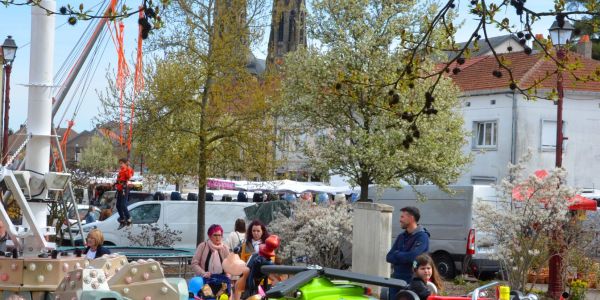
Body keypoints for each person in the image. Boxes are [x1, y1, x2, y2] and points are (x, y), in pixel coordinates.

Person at [386, 206, 430, 300]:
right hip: (395, 281)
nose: (400, 220)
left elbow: (413, 257)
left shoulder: (422, 237)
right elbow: (389, 257)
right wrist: (405, 256)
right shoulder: (401, 236)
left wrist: (397, 254)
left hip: (411, 282)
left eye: (402, 217)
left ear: (411, 218)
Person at [234, 235, 281, 300]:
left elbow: (266, 277)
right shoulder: (259, 260)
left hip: (255, 281)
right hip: (250, 281)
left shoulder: (260, 259)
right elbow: (251, 276)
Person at [115, 158, 134, 230]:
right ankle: (122, 220)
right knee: (118, 205)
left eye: (121, 163)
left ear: (125, 163)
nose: (120, 165)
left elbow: (129, 176)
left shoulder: (127, 169)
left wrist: (127, 167)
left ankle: (129, 218)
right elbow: (119, 179)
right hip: (120, 189)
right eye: (120, 163)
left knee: (123, 205)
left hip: (124, 188)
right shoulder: (121, 170)